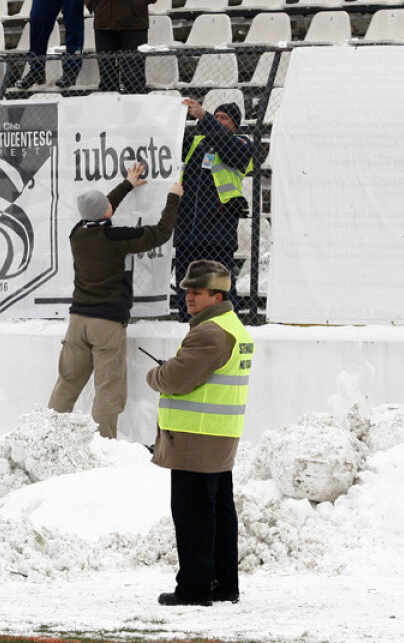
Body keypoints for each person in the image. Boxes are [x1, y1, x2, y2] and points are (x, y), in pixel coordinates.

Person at [47, 162, 183, 440]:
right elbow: (160, 233)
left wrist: (126, 184)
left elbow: (101, 208)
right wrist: (173, 197)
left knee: (68, 383)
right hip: (106, 323)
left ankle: (46, 436)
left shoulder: (77, 233)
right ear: (107, 213)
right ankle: (103, 444)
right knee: (109, 389)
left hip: (78, 322)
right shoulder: (116, 238)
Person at [146, 259, 253, 607]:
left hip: (197, 438)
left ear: (216, 295)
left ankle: (193, 589)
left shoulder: (209, 332)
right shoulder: (231, 326)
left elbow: (176, 378)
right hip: (217, 435)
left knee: (193, 515)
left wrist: (156, 375)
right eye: (187, 291)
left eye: (196, 292)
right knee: (218, 513)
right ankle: (223, 585)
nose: (188, 297)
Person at [173, 97, 253, 322]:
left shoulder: (242, 143)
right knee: (186, 286)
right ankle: (186, 326)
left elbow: (231, 152)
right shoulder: (195, 141)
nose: (218, 120)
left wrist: (205, 118)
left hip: (218, 233)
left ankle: (225, 328)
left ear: (235, 125)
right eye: (216, 116)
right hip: (188, 231)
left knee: (220, 288)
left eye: (223, 118)